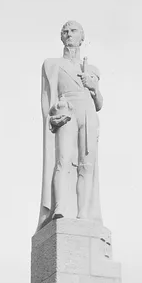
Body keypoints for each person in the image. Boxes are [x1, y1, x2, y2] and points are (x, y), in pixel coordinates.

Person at [37, 19, 103, 228]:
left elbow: (99, 104)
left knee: (86, 164)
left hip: (88, 113)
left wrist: (93, 88)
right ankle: (60, 207)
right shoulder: (52, 64)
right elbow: (47, 99)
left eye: (73, 31)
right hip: (67, 111)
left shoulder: (91, 69)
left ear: (82, 37)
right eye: (65, 31)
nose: (69, 34)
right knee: (63, 160)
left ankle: (84, 213)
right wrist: (53, 114)